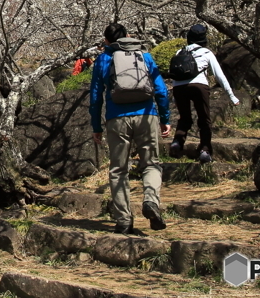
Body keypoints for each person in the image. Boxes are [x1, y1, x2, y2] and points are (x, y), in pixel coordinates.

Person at [90, 23, 171, 234]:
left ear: (106, 41)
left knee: (118, 170)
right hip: (146, 115)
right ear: (128, 36)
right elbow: (161, 90)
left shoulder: (103, 60)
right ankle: (151, 201)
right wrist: (165, 118)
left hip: (116, 118)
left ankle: (124, 220)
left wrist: (96, 126)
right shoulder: (144, 56)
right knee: (151, 164)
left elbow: (96, 96)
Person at [168, 23, 240, 163]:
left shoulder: (179, 52)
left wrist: (173, 98)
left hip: (179, 87)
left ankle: (177, 142)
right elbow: (219, 76)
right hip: (199, 86)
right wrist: (231, 95)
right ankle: (205, 151)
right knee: (204, 120)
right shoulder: (206, 52)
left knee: (184, 118)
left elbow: (174, 74)